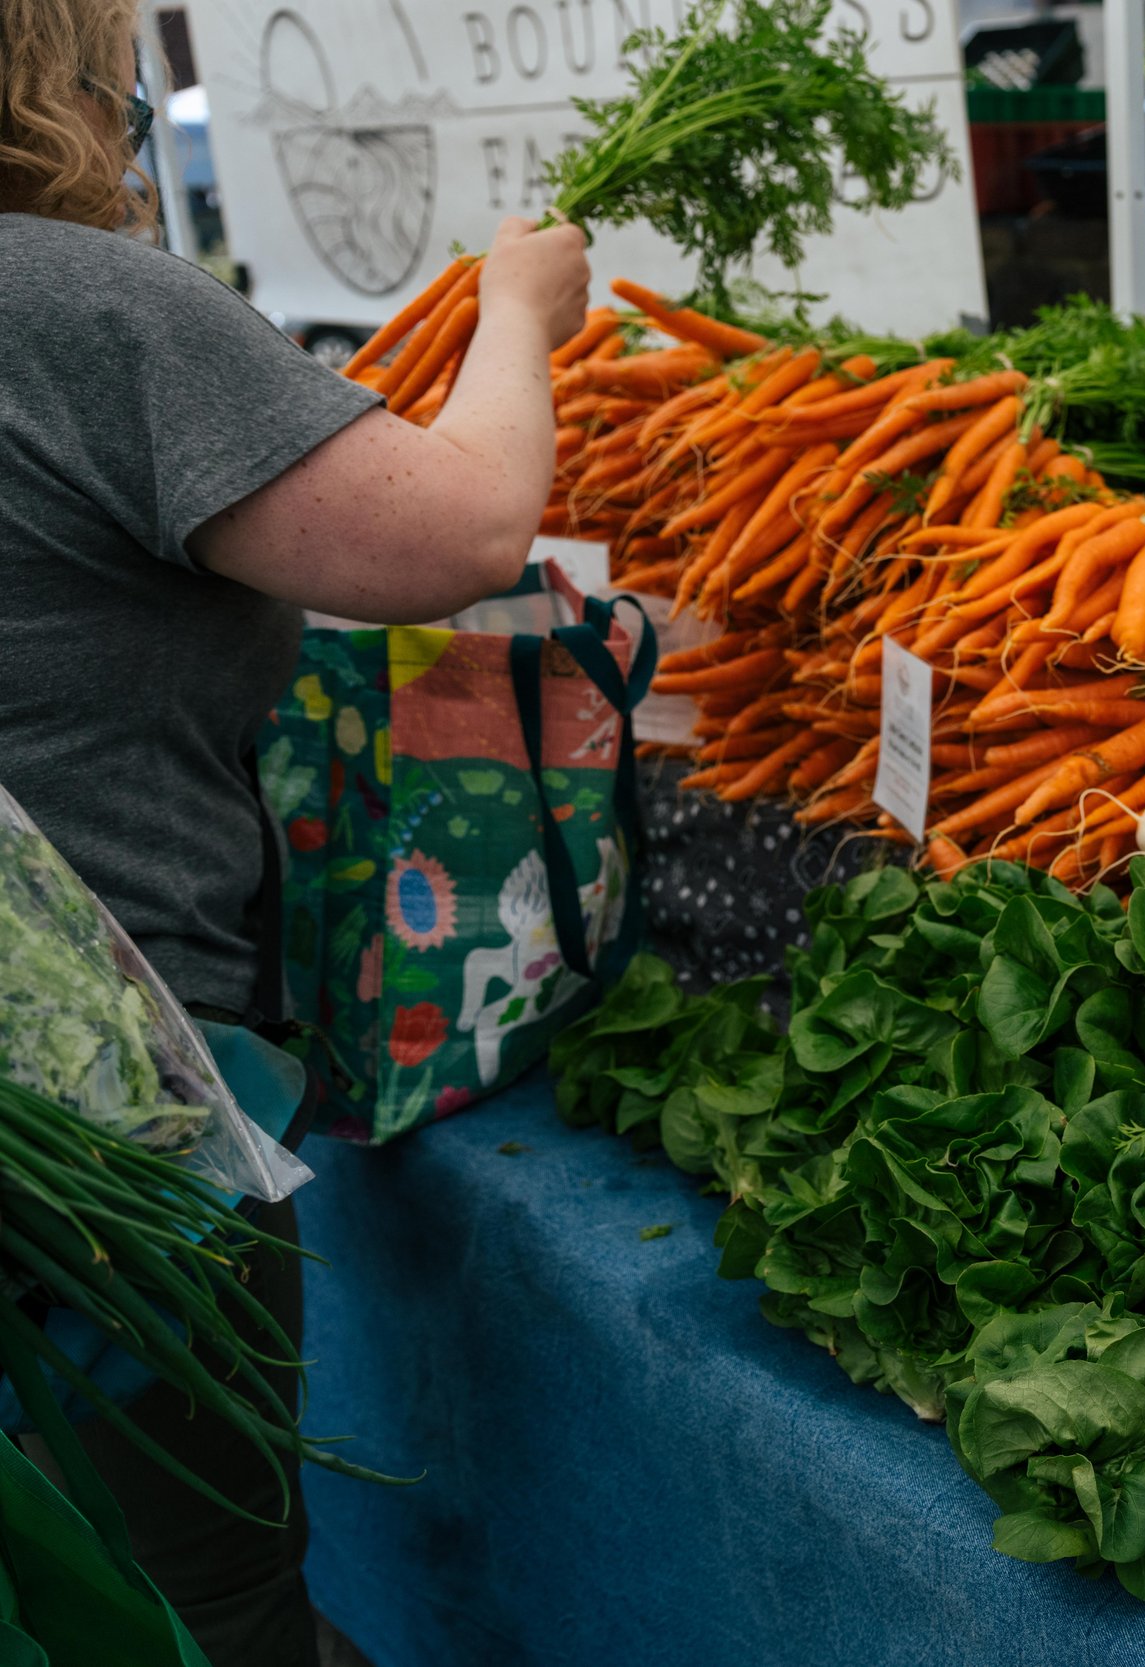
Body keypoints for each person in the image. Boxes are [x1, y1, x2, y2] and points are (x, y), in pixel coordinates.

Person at [0, 0, 590, 1658]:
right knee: (209, 1604)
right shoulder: (79, 301)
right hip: (96, 1110)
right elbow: (461, 529)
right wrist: (518, 312)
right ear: (55, 75)